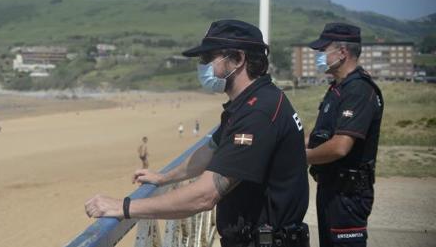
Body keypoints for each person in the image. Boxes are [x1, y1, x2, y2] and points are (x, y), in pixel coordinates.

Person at [85, 20, 310, 247]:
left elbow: (205, 195)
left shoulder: (258, 112)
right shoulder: (251, 102)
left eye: (208, 58)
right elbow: (209, 152)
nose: (203, 66)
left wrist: (123, 207)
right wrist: (164, 178)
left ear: (239, 59)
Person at [305, 23, 383, 247]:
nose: (320, 56)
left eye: (323, 50)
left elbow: (340, 146)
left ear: (342, 52)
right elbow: (319, 137)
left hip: (348, 195)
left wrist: (299, 157)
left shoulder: (359, 90)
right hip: (330, 188)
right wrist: (284, 144)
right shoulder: (338, 88)